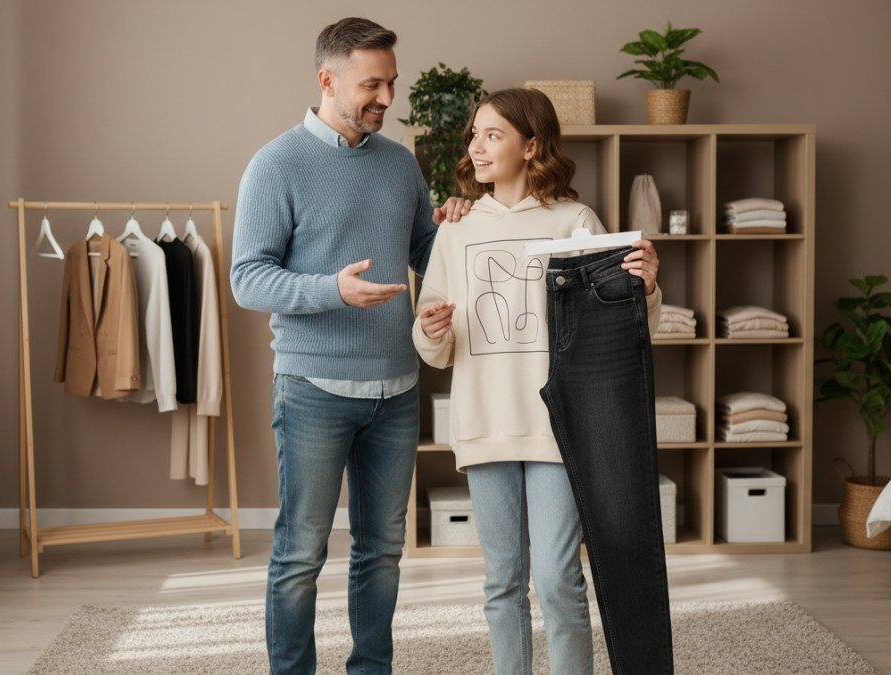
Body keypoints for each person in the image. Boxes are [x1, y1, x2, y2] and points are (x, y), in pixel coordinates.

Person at [230, 17, 470, 675]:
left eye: (391, 83)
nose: (387, 98)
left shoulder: (399, 163)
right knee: (300, 554)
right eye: (372, 85)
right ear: (327, 80)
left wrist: (454, 227)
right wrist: (332, 289)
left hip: (397, 387)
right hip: (313, 389)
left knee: (382, 552)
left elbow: (424, 250)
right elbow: (247, 278)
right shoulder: (276, 164)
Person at [412, 88, 662, 674]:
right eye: (474, 135)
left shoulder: (575, 221)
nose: (476, 147)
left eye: (492, 135)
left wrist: (646, 287)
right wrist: (429, 326)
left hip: (559, 426)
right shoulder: (457, 229)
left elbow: (620, 331)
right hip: (484, 423)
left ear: (530, 146)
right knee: (502, 582)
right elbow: (435, 349)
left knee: (558, 579)